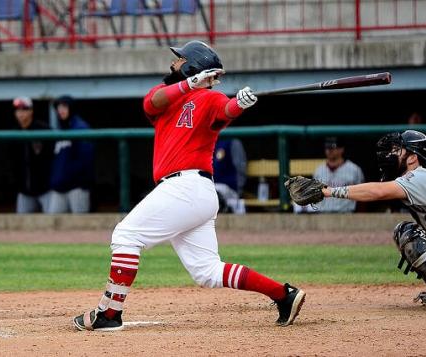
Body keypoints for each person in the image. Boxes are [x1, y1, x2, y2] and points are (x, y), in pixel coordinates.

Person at [73, 40, 305, 331]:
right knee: (207, 271)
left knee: (126, 235)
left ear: (193, 65)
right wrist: (189, 83)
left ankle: (109, 314)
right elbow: (150, 103)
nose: (174, 63)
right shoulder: (165, 95)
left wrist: (240, 104)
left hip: (187, 187)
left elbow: (226, 111)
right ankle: (284, 295)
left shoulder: (211, 99)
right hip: (190, 192)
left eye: (180, 59)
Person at [286, 130, 426, 312]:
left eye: (397, 150)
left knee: (412, 237)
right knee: (405, 231)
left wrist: (327, 191)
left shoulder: (420, 176)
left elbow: (378, 192)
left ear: (412, 157)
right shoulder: (419, 181)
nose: (391, 154)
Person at [47, 95, 95, 213]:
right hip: (59, 188)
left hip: (77, 188)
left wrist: (74, 178)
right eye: (58, 107)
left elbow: (86, 160)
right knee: (52, 226)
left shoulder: (81, 127)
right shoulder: (59, 130)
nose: (61, 110)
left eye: (64, 106)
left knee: (81, 227)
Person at [294, 136, 364, 213]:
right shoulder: (319, 171)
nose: (329, 150)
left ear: (341, 149)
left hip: (346, 214)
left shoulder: (354, 169)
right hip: (323, 215)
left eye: (333, 147)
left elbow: (362, 196)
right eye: (327, 148)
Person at [11, 97, 54, 213]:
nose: (20, 113)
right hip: (24, 190)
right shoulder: (14, 133)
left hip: (46, 189)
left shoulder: (43, 129)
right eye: (18, 110)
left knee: (52, 224)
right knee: (20, 226)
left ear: (31, 111)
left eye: (24, 110)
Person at [213, 138, 247, 214]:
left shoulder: (233, 142)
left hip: (229, 189)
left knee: (216, 192)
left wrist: (239, 190)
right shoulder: (206, 142)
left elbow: (240, 169)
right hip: (210, 187)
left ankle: (227, 207)